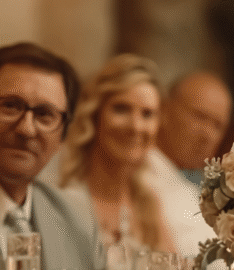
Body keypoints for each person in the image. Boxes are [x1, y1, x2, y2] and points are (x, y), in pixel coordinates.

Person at [0, 42, 95, 270]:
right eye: (11, 106)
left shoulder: (77, 221)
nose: (26, 129)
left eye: (45, 114)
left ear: (64, 134)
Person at [56, 54, 176, 256]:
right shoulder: (63, 198)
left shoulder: (147, 204)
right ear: (94, 114)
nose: (136, 127)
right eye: (121, 109)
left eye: (147, 114)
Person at [147, 70, 231, 258]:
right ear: (165, 110)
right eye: (199, 116)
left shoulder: (199, 192)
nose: (207, 134)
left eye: (217, 125)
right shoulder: (135, 173)